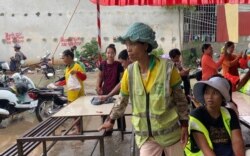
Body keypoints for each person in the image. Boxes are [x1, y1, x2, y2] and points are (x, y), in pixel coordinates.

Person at [99, 22, 189, 156]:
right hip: (146, 137)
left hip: (170, 136)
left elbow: (180, 99)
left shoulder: (168, 68)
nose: (128, 49)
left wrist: (184, 124)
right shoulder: (129, 73)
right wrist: (111, 120)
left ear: (146, 45)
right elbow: (122, 100)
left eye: (133, 44)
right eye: (127, 45)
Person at [185, 76, 245, 156]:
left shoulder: (230, 113)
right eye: (207, 92)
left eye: (215, 93)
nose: (210, 97)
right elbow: (205, 149)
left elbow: (237, 142)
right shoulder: (196, 116)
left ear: (222, 97)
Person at [96, 44, 124, 135]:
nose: (110, 55)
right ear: (106, 54)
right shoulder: (102, 64)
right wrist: (98, 87)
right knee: (106, 111)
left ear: (115, 54)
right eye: (108, 53)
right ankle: (107, 131)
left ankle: (122, 130)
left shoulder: (118, 64)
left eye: (112, 53)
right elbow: (100, 77)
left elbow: (122, 79)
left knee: (118, 111)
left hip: (116, 92)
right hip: (105, 91)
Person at [58, 49, 87, 134]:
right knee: (74, 114)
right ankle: (77, 129)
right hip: (71, 96)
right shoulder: (67, 68)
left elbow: (84, 77)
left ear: (69, 57)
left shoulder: (77, 66)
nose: (63, 60)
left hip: (78, 95)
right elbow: (67, 80)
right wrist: (58, 84)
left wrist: (77, 72)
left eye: (64, 58)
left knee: (78, 113)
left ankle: (78, 130)